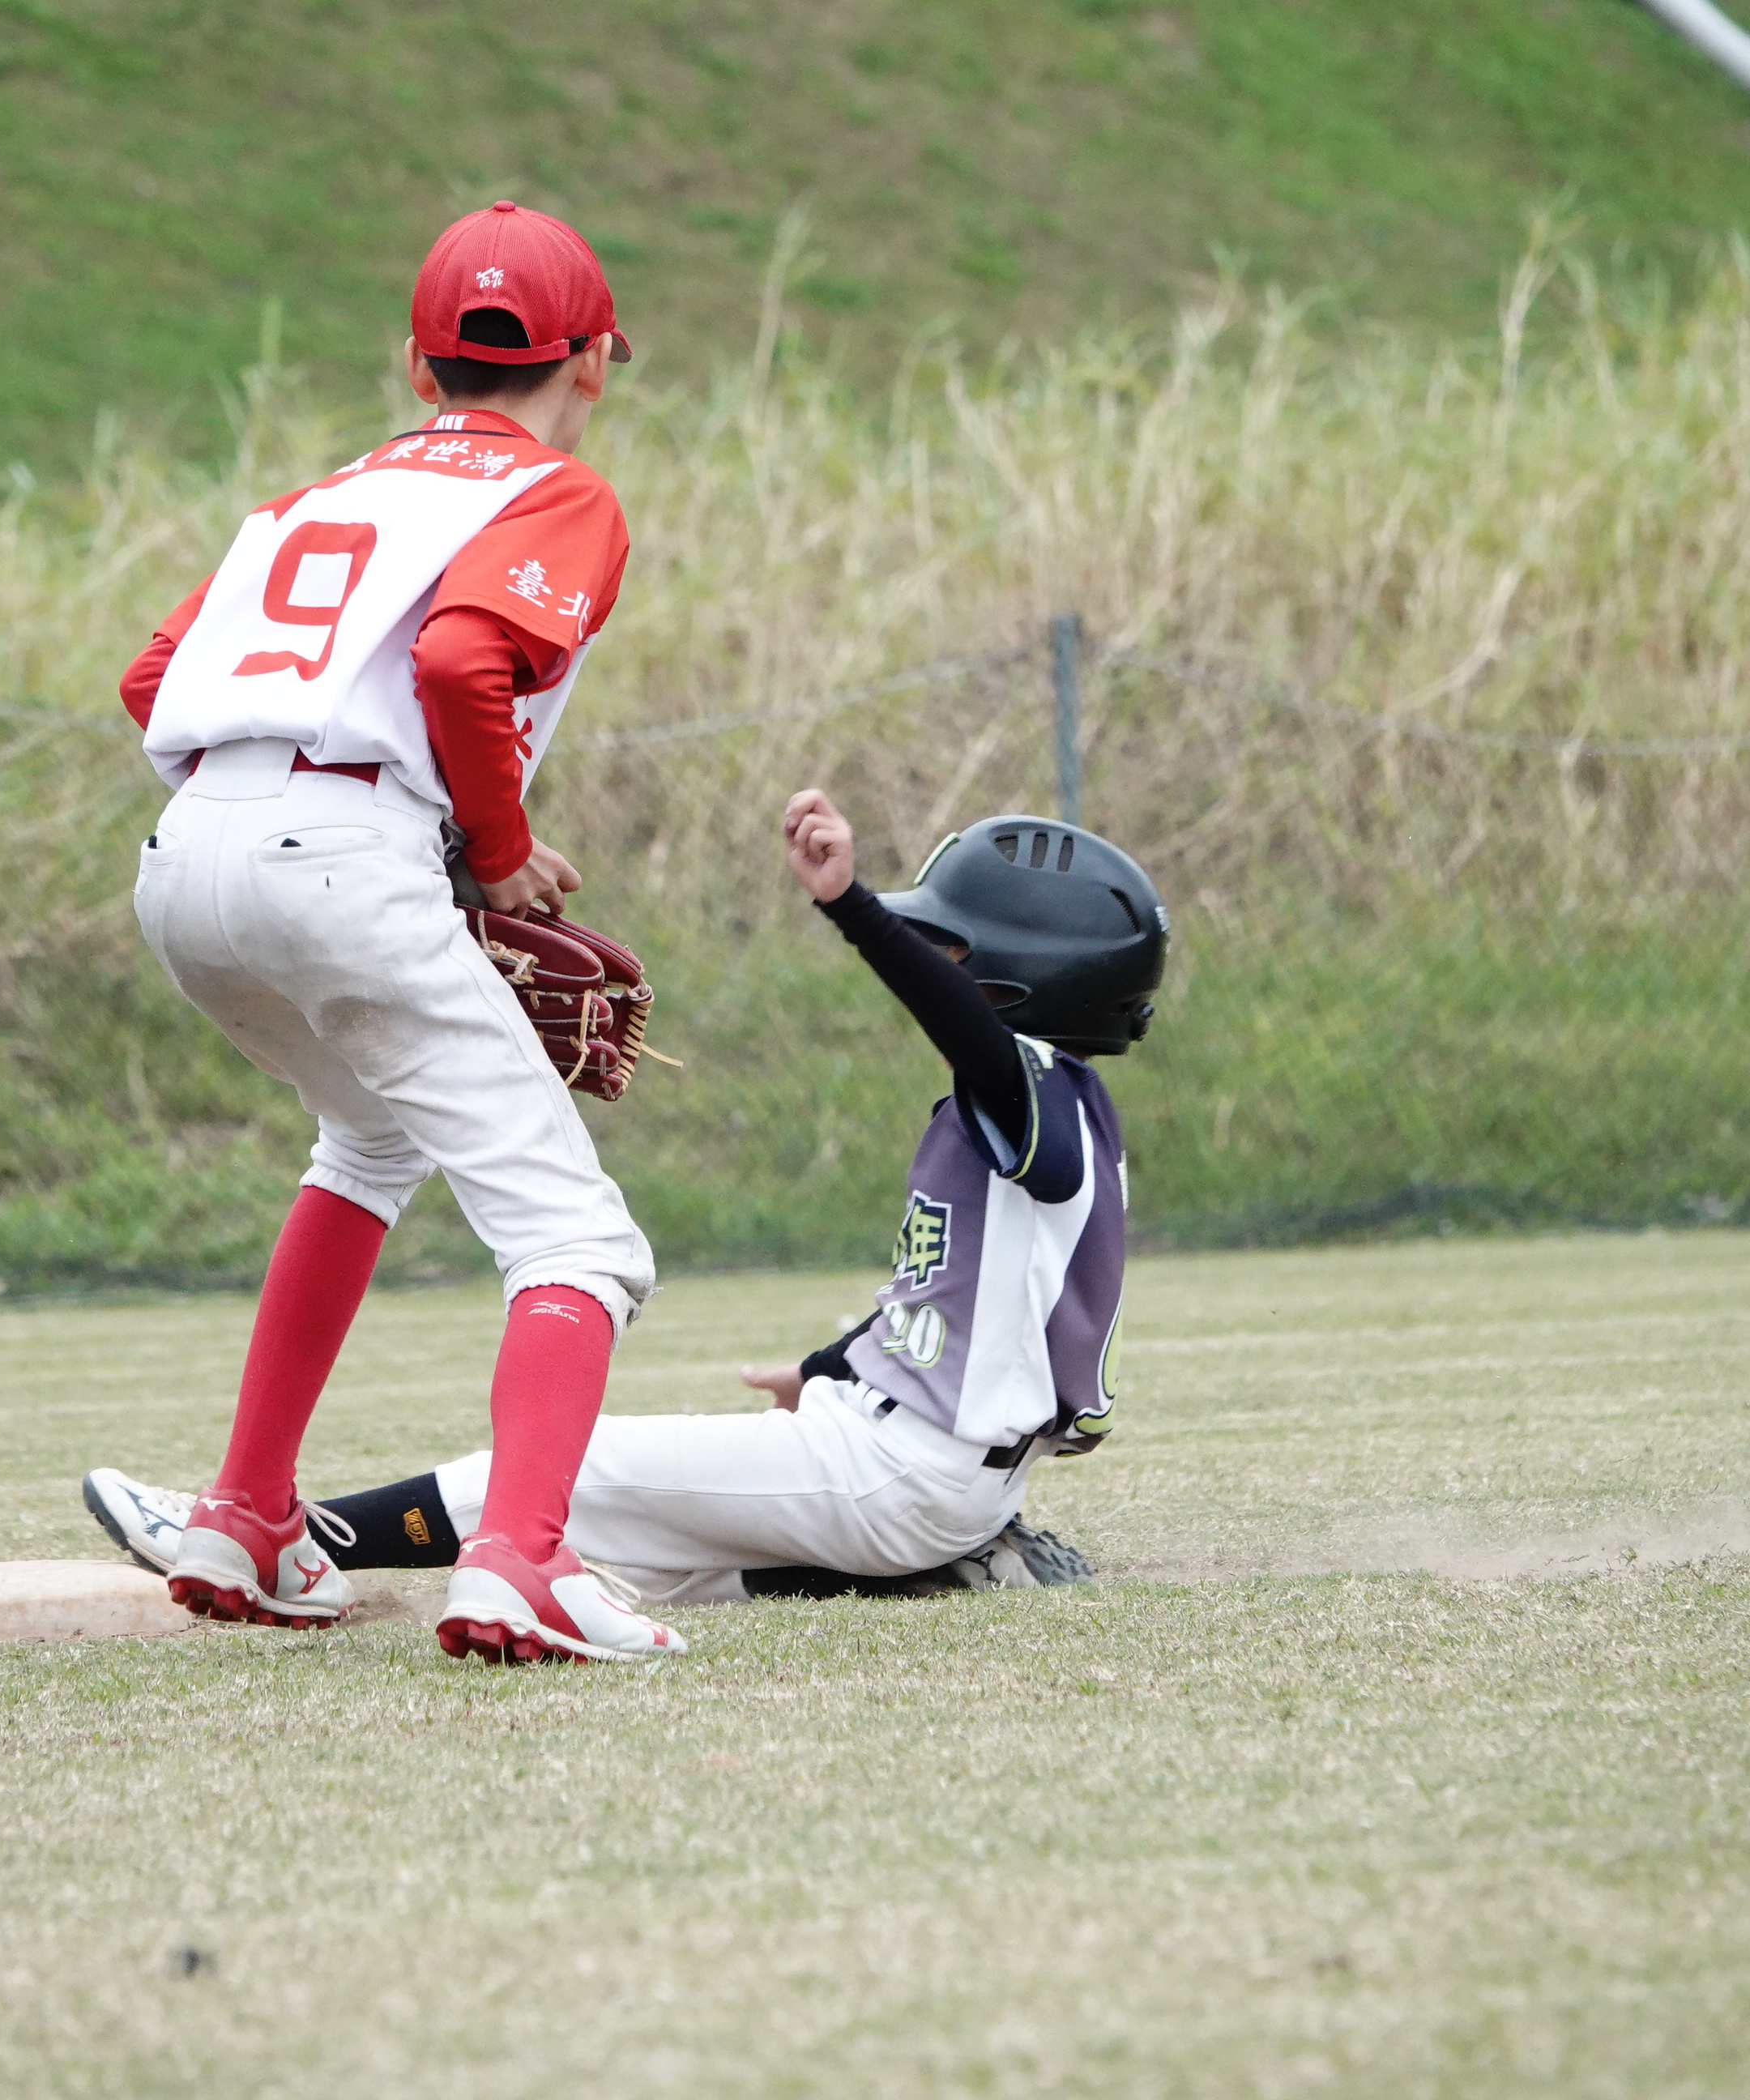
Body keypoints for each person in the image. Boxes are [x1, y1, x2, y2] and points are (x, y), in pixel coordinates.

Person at [83, 792, 1168, 1610]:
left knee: (570, 1469)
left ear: (1026, 974)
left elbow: (966, 1031)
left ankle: (283, 1536)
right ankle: (946, 1569)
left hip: (904, 1474)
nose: (931, 952)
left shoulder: (1029, 1087)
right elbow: (951, 1305)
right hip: (916, 1469)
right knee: (635, 1561)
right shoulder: (1057, 1123)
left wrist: (854, 909)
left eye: (949, 943)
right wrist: (827, 1367)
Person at [120, 200, 681, 1664]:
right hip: (341, 855)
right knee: (576, 1237)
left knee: (367, 1141)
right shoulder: (558, 492)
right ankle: (523, 1563)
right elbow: (458, 656)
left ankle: (246, 1514)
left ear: (420, 367)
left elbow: (153, 680)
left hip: (189, 855)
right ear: (594, 362)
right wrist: (491, 853)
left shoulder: (311, 505)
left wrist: (290, 814)